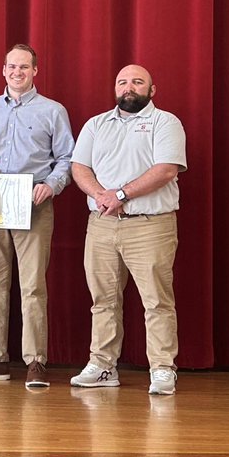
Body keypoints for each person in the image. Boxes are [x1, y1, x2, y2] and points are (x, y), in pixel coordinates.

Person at [0, 44, 74, 389]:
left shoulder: (53, 111)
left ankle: (35, 360)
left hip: (34, 203)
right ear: (3, 70)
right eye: (11, 66)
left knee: (32, 285)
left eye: (24, 67)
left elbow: (67, 157)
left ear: (35, 71)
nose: (17, 72)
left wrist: (51, 185)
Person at [69, 64, 186, 395]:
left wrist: (120, 194)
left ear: (152, 90)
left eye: (138, 81)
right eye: (122, 82)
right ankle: (103, 366)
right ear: (115, 89)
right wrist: (101, 196)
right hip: (102, 225)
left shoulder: (165, 122)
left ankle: (163, 369)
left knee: (156, 301)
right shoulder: (96, 125)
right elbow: (80, 167)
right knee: (102, 300)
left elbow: (165, 169)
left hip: (150, 226)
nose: (129, 87)